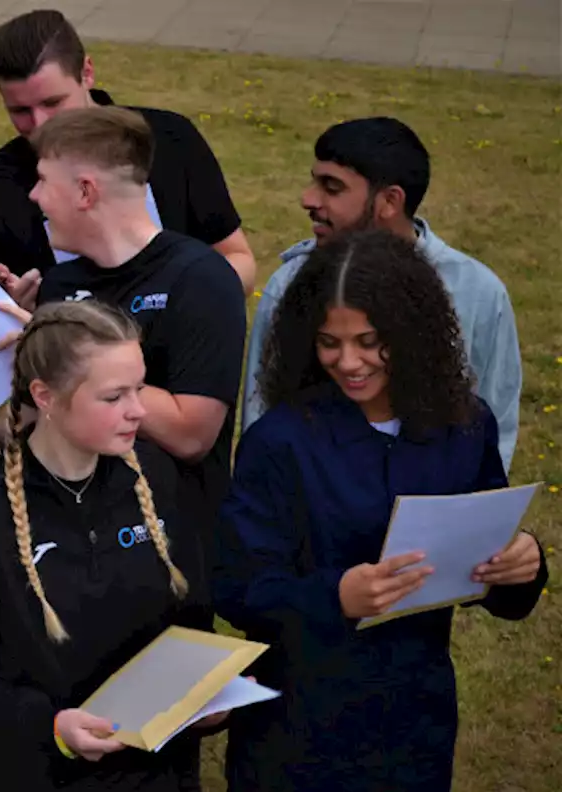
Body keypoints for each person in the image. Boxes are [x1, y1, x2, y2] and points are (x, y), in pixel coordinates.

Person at [215, 229, 547, 792]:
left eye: (371, 341)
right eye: (329, 343)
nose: (349, 362)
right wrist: (335, 597)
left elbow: (488, 567)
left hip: (415, 719)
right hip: (300, 728)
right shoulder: (281, 441)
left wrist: (523, 567)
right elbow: (240, 587)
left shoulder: (464, 428)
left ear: (411, 333)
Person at [0, 300, 217, 791]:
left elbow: (193, 620)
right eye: (113, 397)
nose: (138, 411)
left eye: (139, 388)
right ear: (45, 396)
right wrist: (52, 726)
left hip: (156, 776)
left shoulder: (157, 479)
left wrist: (205, 696)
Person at [29, 107, 244, 622]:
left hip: (167, 566)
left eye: (42, 181)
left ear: (85, 192)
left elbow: (193, 433)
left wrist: (84, 360)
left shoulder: (201, 279)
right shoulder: (61, 288)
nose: (34, 198)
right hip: (72, 562)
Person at [240, 117, 522, 473]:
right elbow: (261, 412)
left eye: (332, 187)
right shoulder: (291, 285)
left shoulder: (479, 292)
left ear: (389, 201)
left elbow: (497, 421)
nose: (308, 199)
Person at [0, 9, 254, 296]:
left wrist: (173, 306)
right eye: (20, 111)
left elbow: (239, 261)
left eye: (52, 102)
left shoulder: (170, 139)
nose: (40, 124)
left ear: (87, 73)